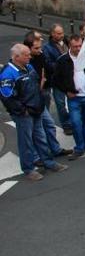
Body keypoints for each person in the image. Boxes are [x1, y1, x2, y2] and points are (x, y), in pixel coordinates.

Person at [0, 44, 68, 180]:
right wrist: (22, 110)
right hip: (24, 114)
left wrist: (40, 102)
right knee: (26, 141)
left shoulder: (28, 67)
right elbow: (7, 97)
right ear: (16, 57)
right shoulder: (7, 74)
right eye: (26, 55)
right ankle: (28, 169)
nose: (29, 56)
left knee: (41, 137)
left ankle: (48, 162)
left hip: (37, 109)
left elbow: (36, 85)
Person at [23, 31, 72, 158]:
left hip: (43, 92)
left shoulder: (40, 55)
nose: (40, 50)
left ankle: (55, 149)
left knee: (49, 124)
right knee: (34, 129)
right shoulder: (25, 63)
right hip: (32, 98)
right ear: (27, 49)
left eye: (40, 47)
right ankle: (36, 156)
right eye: (36, 48)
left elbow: (49, 68)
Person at [53, 34, 85, 158]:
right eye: (75, 46)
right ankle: (79, 147)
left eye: (80, 46)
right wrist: (66, 91)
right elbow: (56, 80)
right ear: (69, 46)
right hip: (74, 97)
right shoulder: (63, 60)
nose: (78, 49)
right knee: (75, 122)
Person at [42, 23, 73, 135]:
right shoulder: (47, 47)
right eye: (58, 33)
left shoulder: (68, 42)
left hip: (71, 77)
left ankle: (73, 122)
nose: (61, 35)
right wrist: (62, 65)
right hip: (58, 80)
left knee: (72, 102)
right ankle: (66, 125)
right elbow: (48, 64)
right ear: (52, 34)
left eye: (62, 33)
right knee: (60, 104)